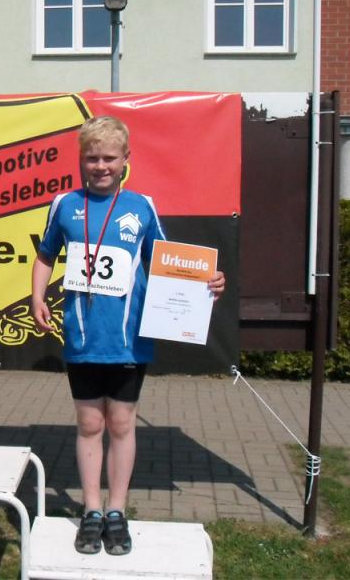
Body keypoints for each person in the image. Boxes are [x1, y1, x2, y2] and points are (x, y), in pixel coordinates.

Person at [31, 116, 225, 556]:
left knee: (121, 423)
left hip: (129, 339)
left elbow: (169, 263)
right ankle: (91, 510)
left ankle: (116, 510)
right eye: (92, 158)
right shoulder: (64, 205)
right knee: (89, 424)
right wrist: (37, 296)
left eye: (109, 158)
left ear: (125, 160)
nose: (100, 166)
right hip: (82, 337)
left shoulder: (141, 207)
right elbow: (45, 255)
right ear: (81, 160)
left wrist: (209, 282)